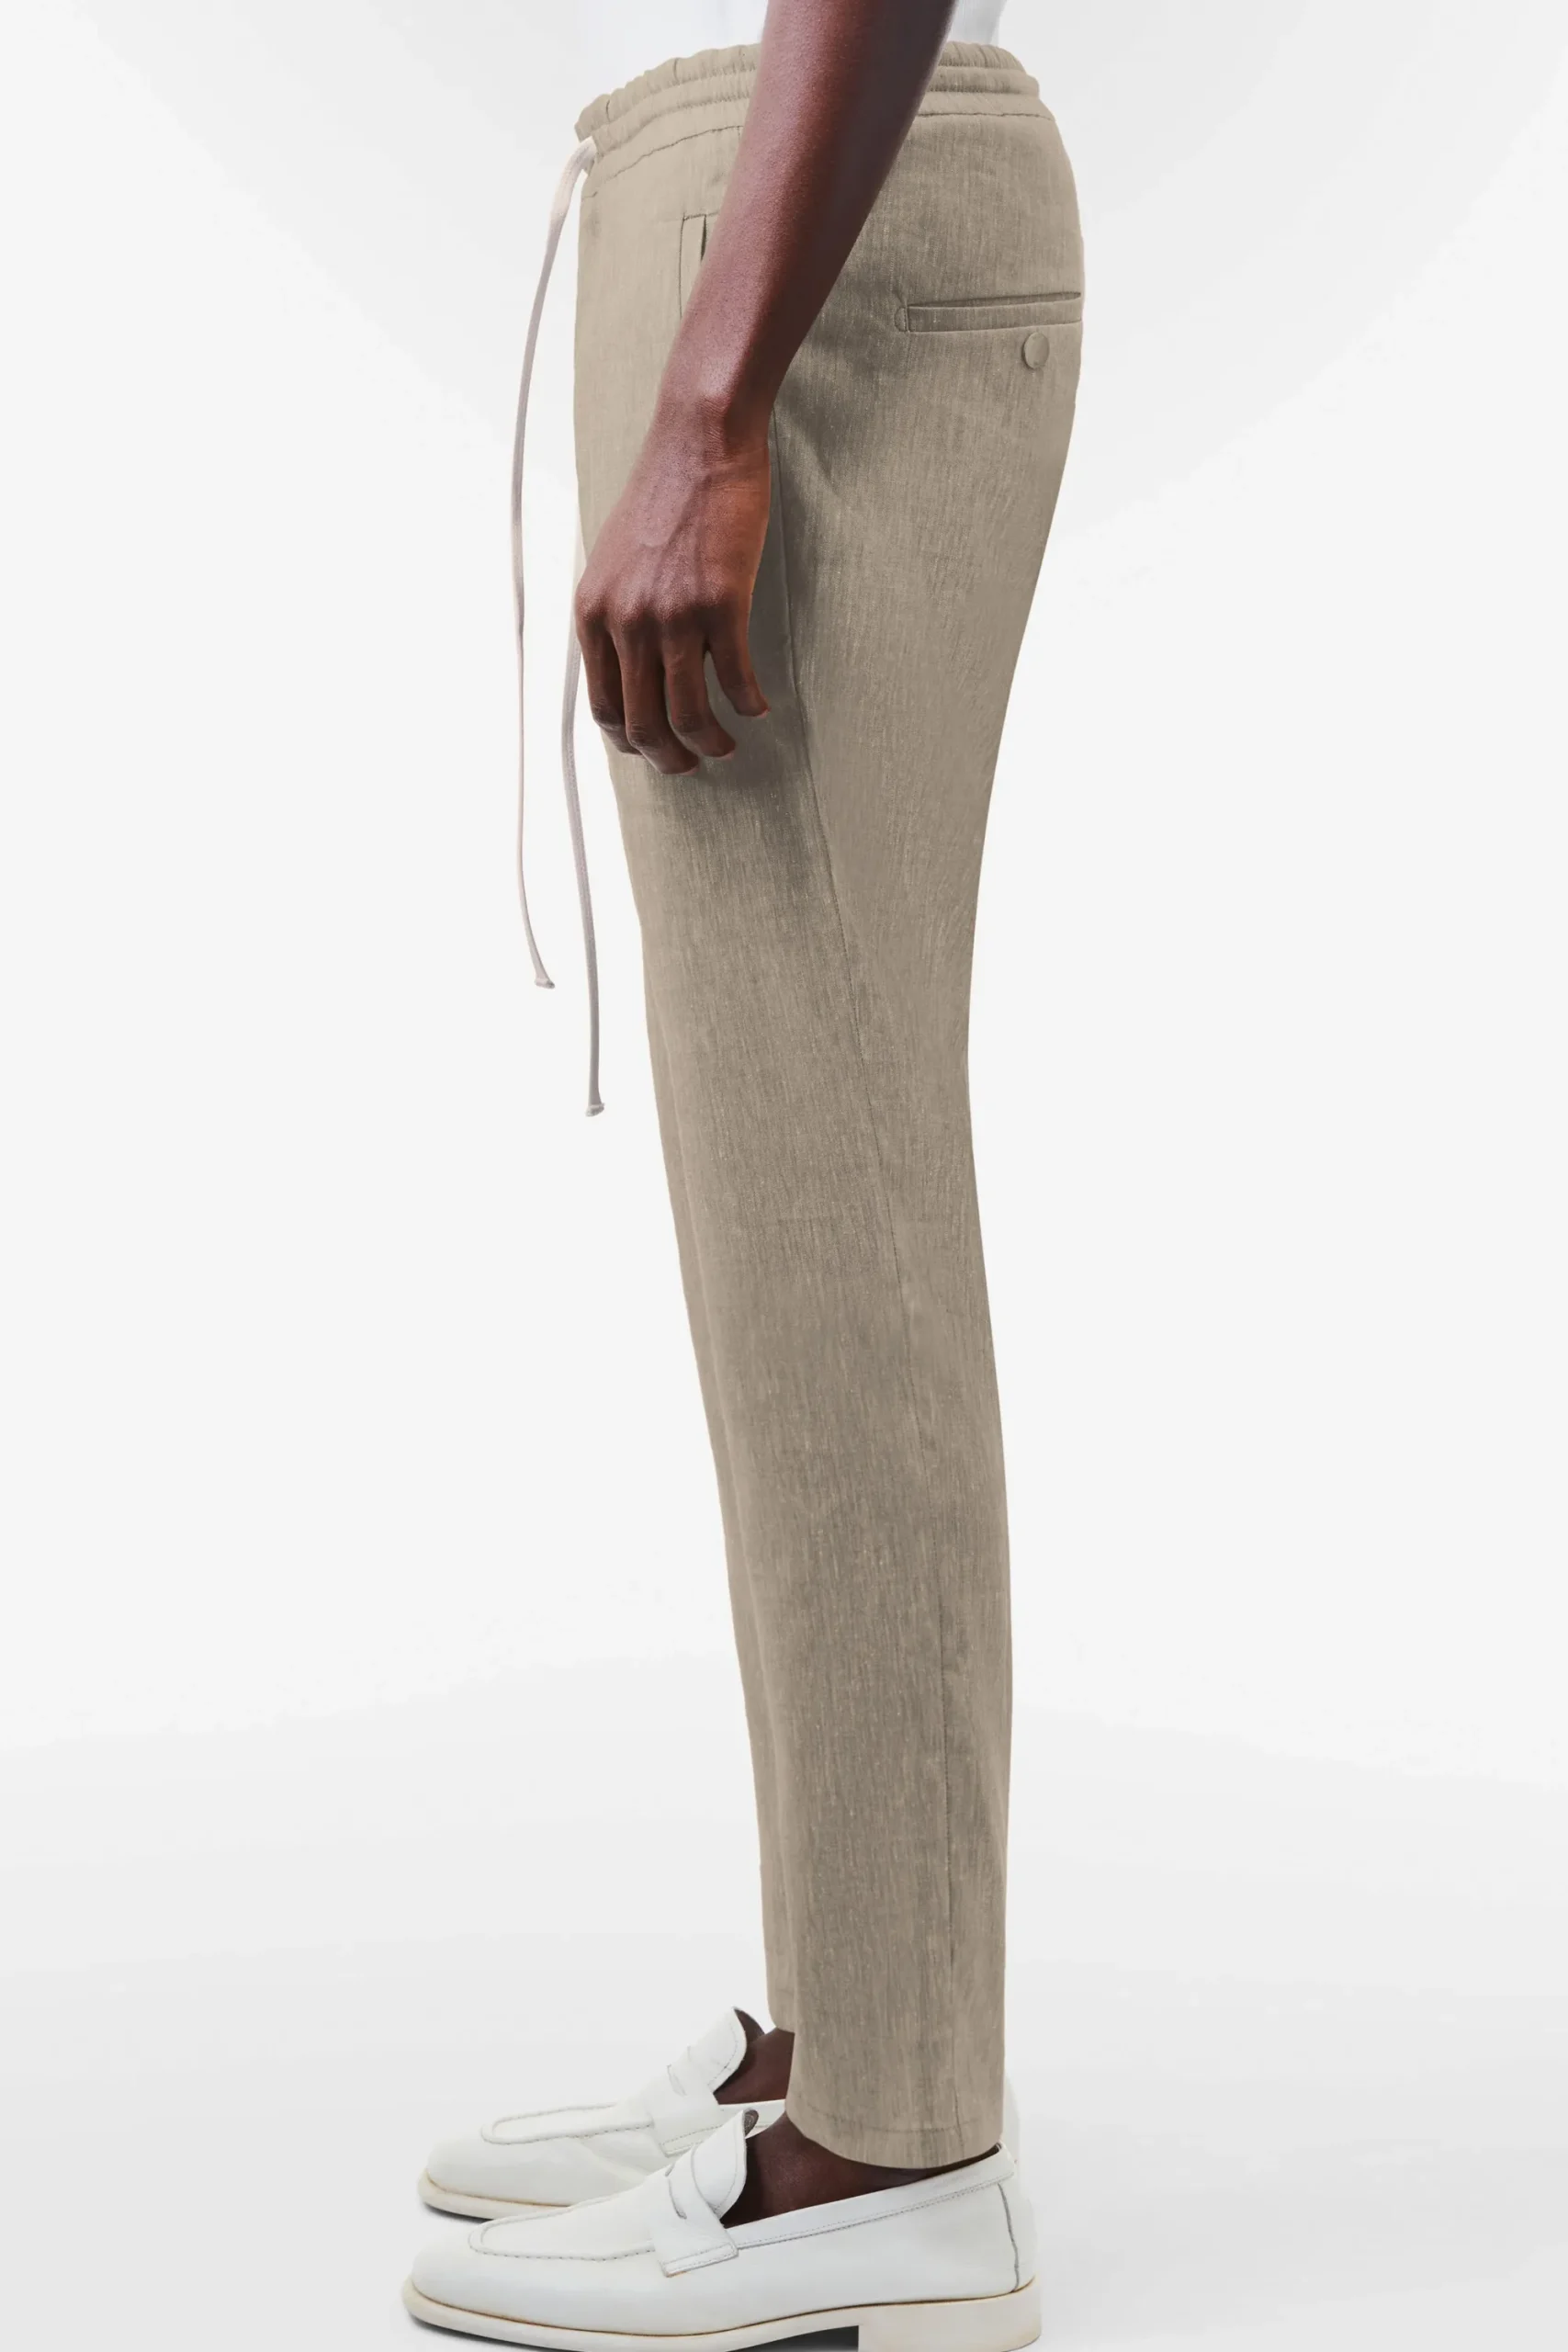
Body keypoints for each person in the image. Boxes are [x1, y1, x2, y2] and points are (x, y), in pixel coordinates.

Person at [406, 1, 1082, 2341]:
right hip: (769, 224)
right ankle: (845, 2024)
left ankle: (896, 2146)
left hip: (799, 250)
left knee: (836, 1195)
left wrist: (710, 393)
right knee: (791, 1205)